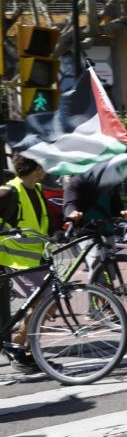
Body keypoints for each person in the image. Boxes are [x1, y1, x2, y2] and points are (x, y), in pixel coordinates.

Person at [0, 155, 48, 372]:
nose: (45, 169)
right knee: (43, 301)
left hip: (35, 257)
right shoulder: (10, 191)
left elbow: (43, 221)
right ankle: (19, 348)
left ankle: (22, 346)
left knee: (47, 302)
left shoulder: (37, 190)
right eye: (42, 165)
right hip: (13, 258)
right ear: (35, 168)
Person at [64, 170, 127, 272]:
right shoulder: (79, 180)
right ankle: (97, 287)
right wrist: (72, 212)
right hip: (88, 231)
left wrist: (122, 212)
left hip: (107, 229)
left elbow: (116, 204)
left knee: (110, 270)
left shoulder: (111, 182)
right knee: (99, 269)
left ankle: (105, 288)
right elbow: (70, 200)